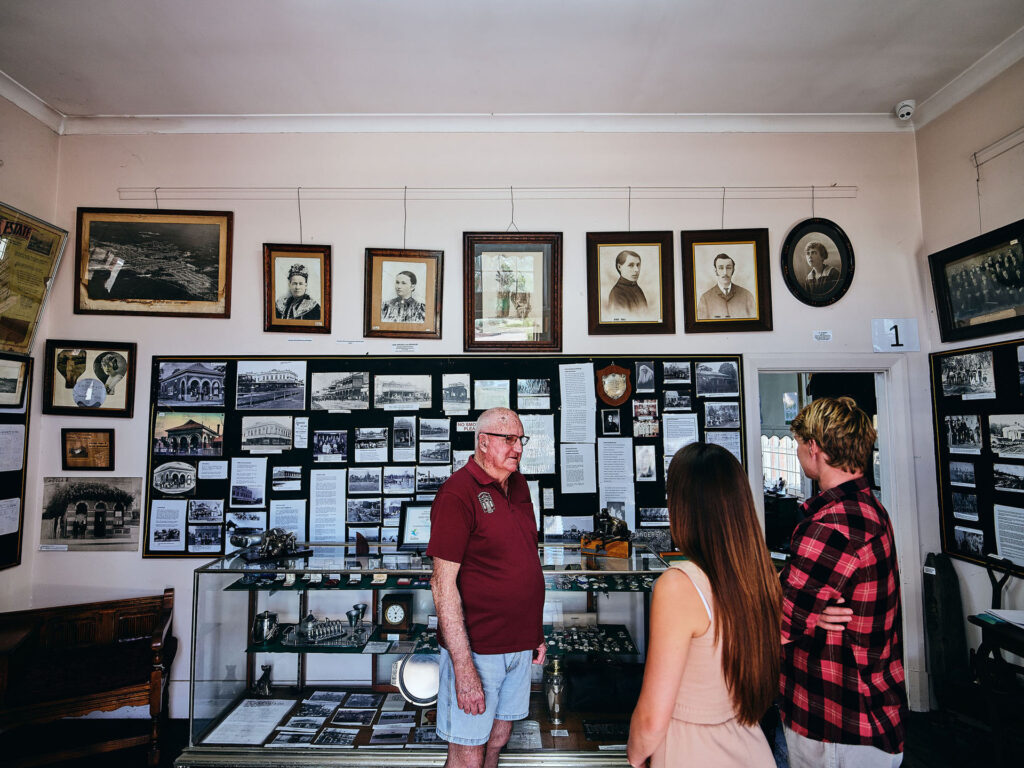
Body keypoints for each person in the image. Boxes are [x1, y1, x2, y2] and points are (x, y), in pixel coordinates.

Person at [628, 442, 782, 768]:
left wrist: (635, 754)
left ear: (686, 507)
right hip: (750, 746)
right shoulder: (760, 575)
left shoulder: (679, 585)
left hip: (692, 751)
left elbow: (653, 717)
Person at [781, 396, 907, 767]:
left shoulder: (831, 527)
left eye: (800, 443)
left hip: (835, 722)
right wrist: (810, 614)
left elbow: (778, 625)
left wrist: (799, 613)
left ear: (814, 447)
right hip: (871, 709)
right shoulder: (869, 508)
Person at [427, 408, 545, 768]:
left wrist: (534, 633)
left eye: (520, 440)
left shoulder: (519, 486)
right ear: (482, 441)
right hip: (479, 650)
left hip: (518, 645)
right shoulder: (457, 493)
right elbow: (442, 585)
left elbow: (523, 562)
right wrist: (464, 670)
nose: (518, 448)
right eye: (508, 439)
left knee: (497, 739)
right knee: (467, 750)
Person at [696, 253, 757, 320]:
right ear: (715, 271)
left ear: (733, 270)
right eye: (721, 268)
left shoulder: (747, 295)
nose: (725, 272)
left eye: (728, 268)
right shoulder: (705, 299)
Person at [607, 249, 648, 316]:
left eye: (638, 265)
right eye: (631, 265)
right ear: (619, 267)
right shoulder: (617, 293)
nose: (636, 270)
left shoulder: (637, 288)